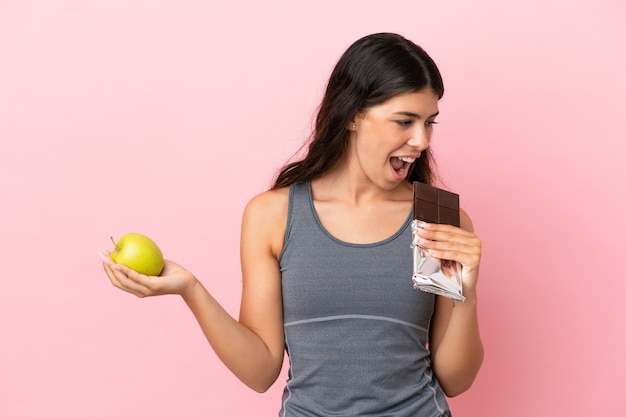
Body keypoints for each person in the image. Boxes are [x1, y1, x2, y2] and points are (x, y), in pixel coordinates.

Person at [100, 32, 484, 416]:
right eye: (405, 121)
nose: (420, 140)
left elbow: (456, 380)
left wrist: (465, 294)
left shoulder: (436, 219)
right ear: (353, 115)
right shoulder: (273, 216)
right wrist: (190, 288)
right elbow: (260, 370)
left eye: (429, 122)